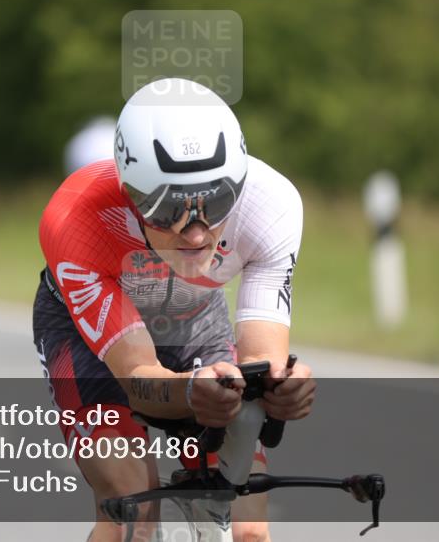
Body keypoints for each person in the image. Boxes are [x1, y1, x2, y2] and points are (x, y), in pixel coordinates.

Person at [33, 78, 315, 542]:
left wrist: (281, 387)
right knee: (131, 510)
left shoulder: (271, 205)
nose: (196, 233)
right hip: (90, 340)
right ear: (129, 192)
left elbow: (261, 361)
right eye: (168, 210)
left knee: (247, 527)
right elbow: (138, 378)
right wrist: (189, 392)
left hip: (195, 317)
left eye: (217, 202)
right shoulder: (78, 219)